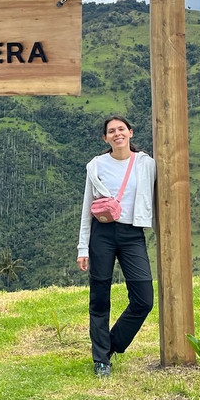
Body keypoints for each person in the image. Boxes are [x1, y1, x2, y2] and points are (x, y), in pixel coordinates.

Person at [76, 115, 156, 378]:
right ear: (105, 138)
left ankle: (109, 346)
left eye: (121, 129)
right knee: (100, 297)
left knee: (144, 299)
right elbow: (87, 208)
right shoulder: (96, 166)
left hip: (132, 233)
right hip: (102, 234)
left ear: (131, 133)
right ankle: (101, 360)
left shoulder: (146, 164)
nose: (117, 134)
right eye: (111, 131)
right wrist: (82, 247)